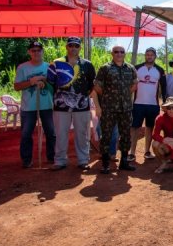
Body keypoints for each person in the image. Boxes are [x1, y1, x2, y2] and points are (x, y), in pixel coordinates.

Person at [46, 37, 96, 170]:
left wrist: (82, 97)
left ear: (80, 48)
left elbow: (92, 85)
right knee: (61, 133)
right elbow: (50, 82)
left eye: (76, 46)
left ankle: (83, 160)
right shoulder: (56, 63)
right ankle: (60, 161)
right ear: (66, 47)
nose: (73, 48)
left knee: (82, 133)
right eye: (71, 46)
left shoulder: (87, 64)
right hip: (61, 105)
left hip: (82, 105)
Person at [94, 45, 138, 174]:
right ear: (112, 54)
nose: (119, 54)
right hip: (109, 108)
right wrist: (108, 97)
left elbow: (134, 85)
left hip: (125, 108)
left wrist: (123, 95)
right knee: (106, 135)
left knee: (125, 135)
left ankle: (124, 162)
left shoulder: (130, 68)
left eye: (121, 52)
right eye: (116, 52)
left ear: (125, 54)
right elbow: (97, 87)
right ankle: (106, 164)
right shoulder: (105, 68)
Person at [13, 41, 56, 168]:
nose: (36, 52)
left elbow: (54, 87)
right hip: (28, 107)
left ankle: (52, 157)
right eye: (33, 50)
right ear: (29, 52)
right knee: (26, 134)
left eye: (38, 50)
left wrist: (44, 82)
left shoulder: (49, 67)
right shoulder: (22, 67)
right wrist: (31, 82)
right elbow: (16, 86)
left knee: (51, 132)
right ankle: (27, 160)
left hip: (47, 106)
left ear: (42, 51)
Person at [128, 47, 166, 162]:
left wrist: (164, 102)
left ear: (155, 56)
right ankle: (132, 152)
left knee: (150, 128)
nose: (149, 56)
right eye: (147, 54)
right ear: (145, 55)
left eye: (151, 55)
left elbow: (163, 88)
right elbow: (130, 85)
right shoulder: (137, 68)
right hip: (138, 104)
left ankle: (147, 151)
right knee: (134, 128)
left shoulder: (160, 70)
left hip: (153, 105)